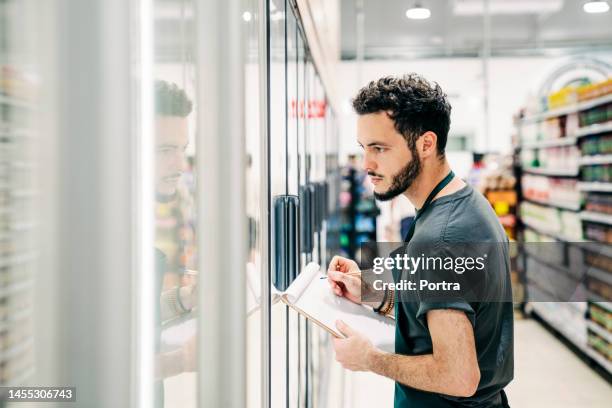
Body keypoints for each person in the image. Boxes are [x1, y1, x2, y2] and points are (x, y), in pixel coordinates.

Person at [327, 74, 513, 408]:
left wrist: (369, 358)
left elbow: (459, 376)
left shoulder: (440, 238)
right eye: (364, 148)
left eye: (380, 148)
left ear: (426, 144)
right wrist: (372, 293)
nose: (367, 164)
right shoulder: (465, 204)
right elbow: (443, 309)